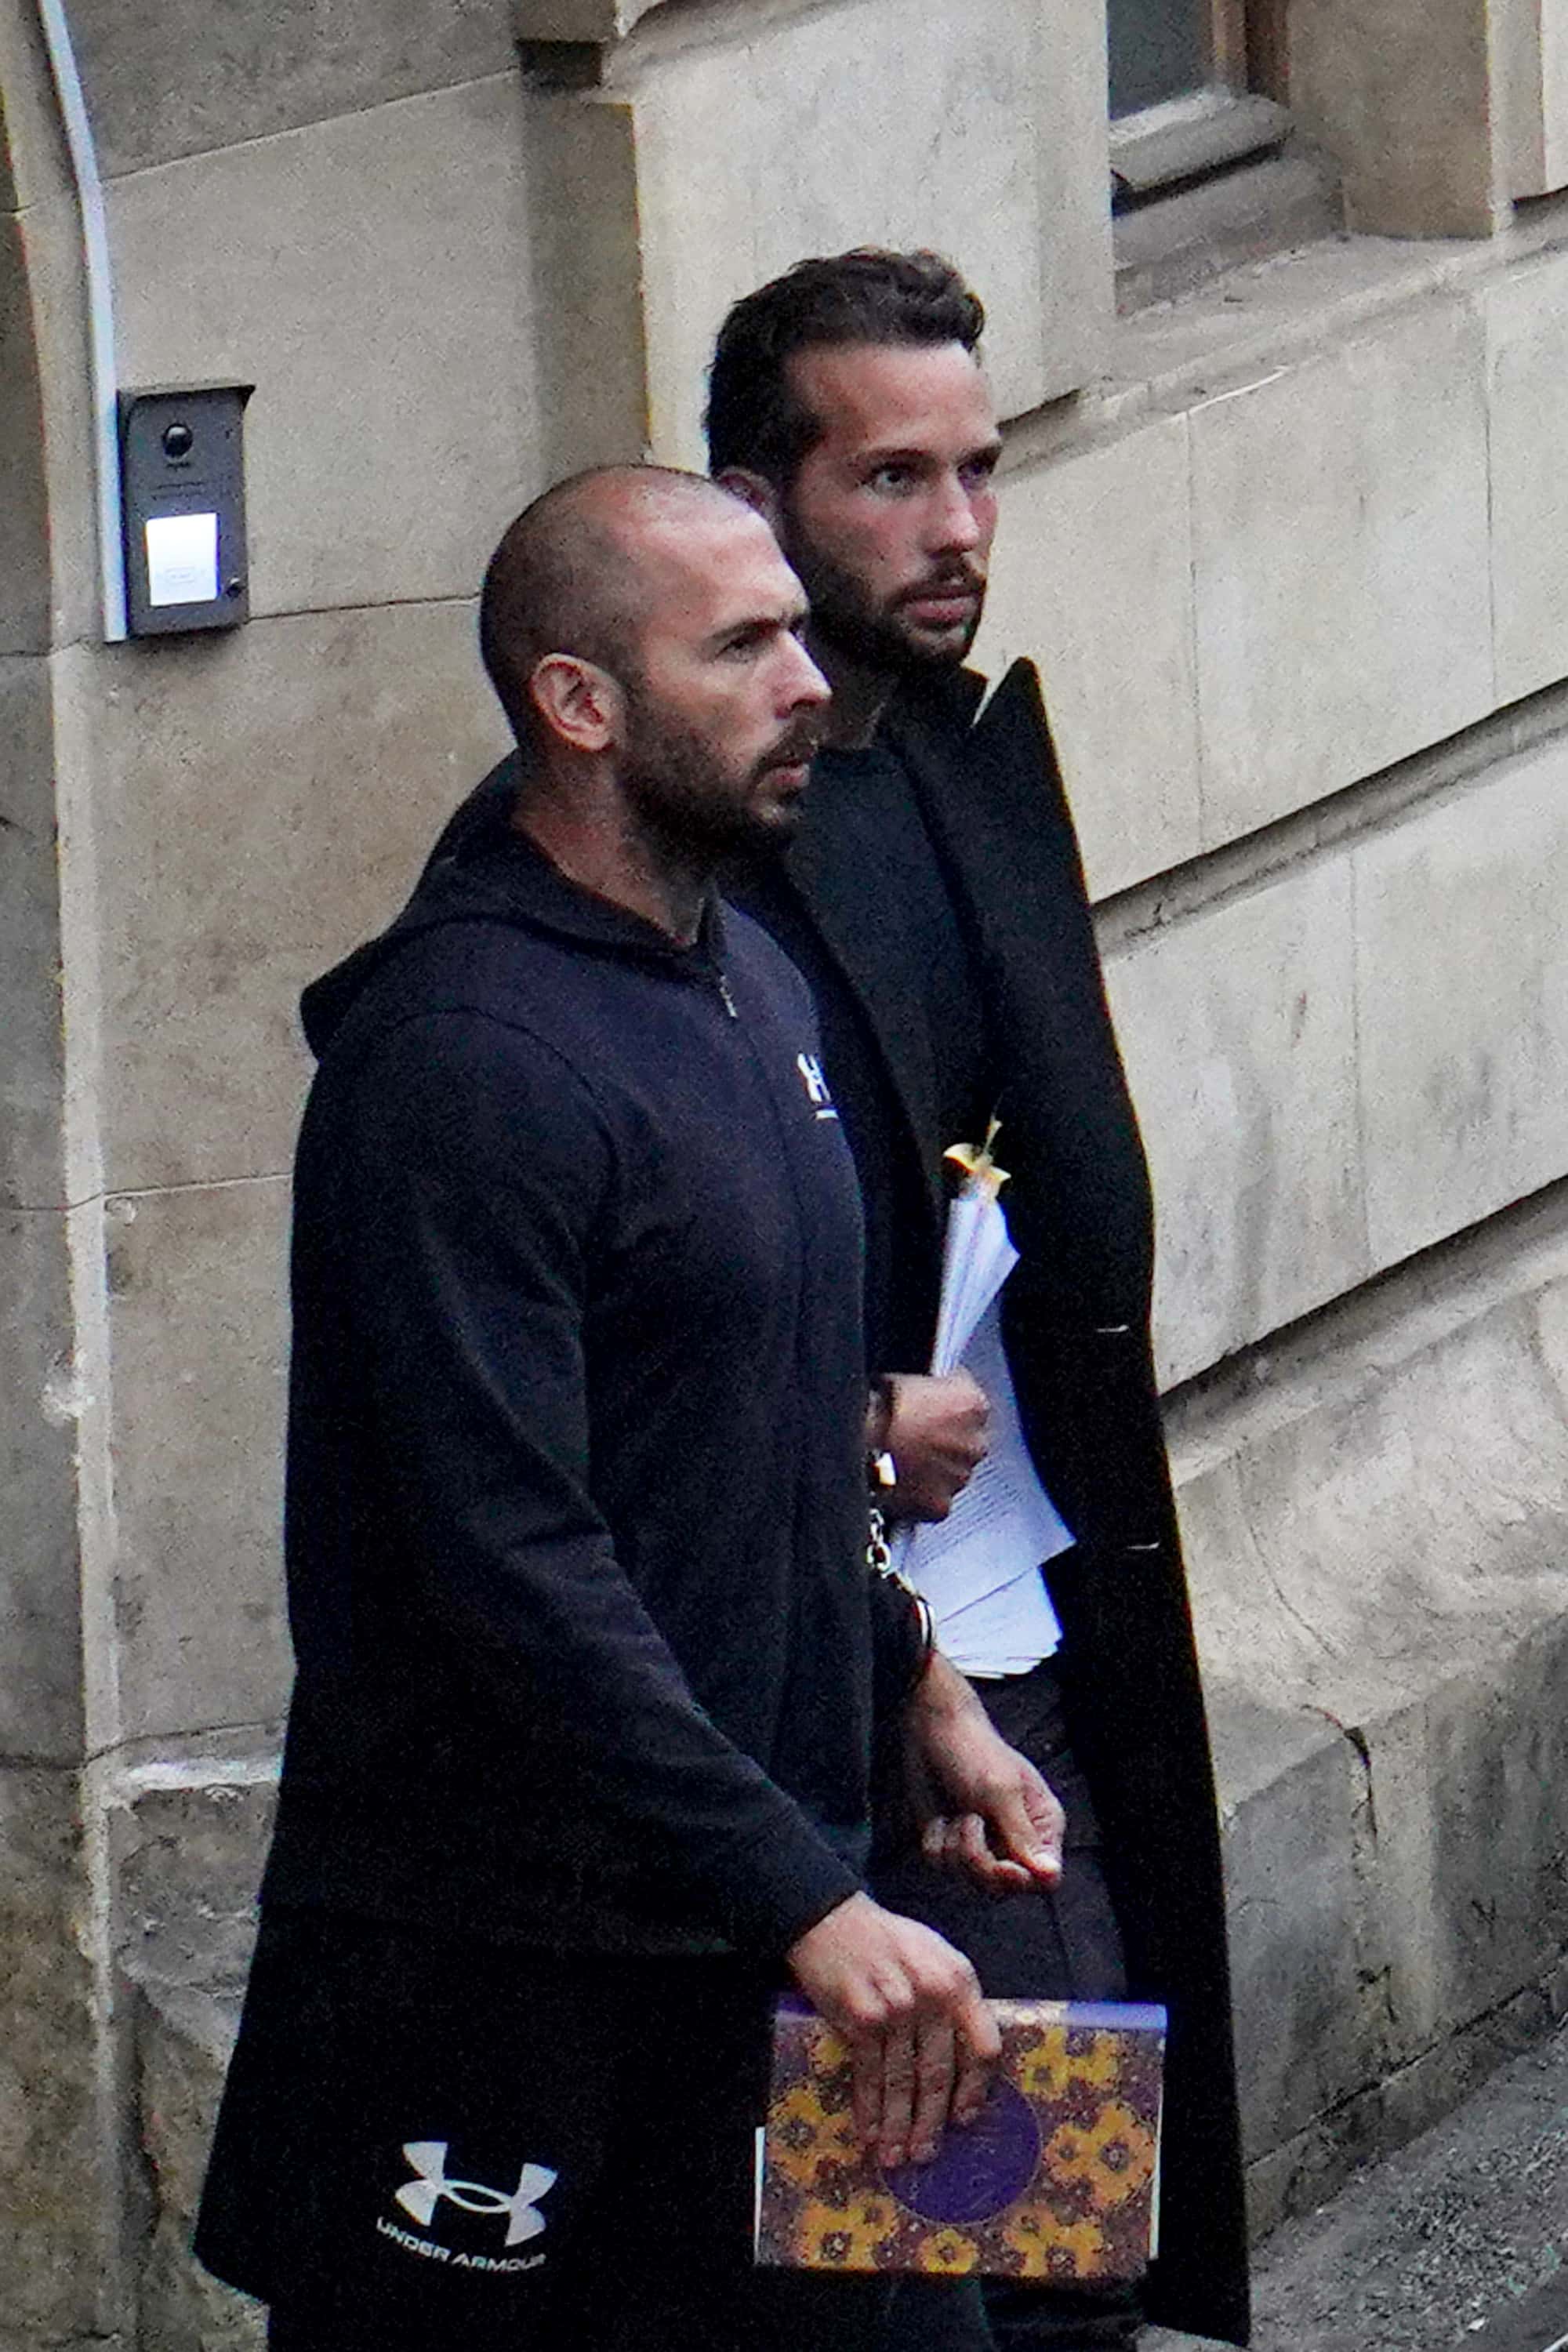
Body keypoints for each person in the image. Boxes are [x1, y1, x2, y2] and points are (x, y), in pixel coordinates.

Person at [193, 464, 1069, 2352]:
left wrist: (913, 1681)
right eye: (740, 643)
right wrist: (802, 1902)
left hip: (773, 1944)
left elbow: (740, 1425)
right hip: (508, 1991)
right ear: (579, 701)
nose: (807, 680)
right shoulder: (464, 1064)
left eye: (790, 630)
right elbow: (506, 1557)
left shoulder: (751, 977)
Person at [701, 250, 1252, 2352]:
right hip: (866, 1681)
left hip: (1024, 1633)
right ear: (758, 498)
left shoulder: (946, 747)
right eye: (892, 481)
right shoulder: (709, 839)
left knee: (1041, 2259)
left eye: (979, 473)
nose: (956, 530)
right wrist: (843, 1438)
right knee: (977, 2262)